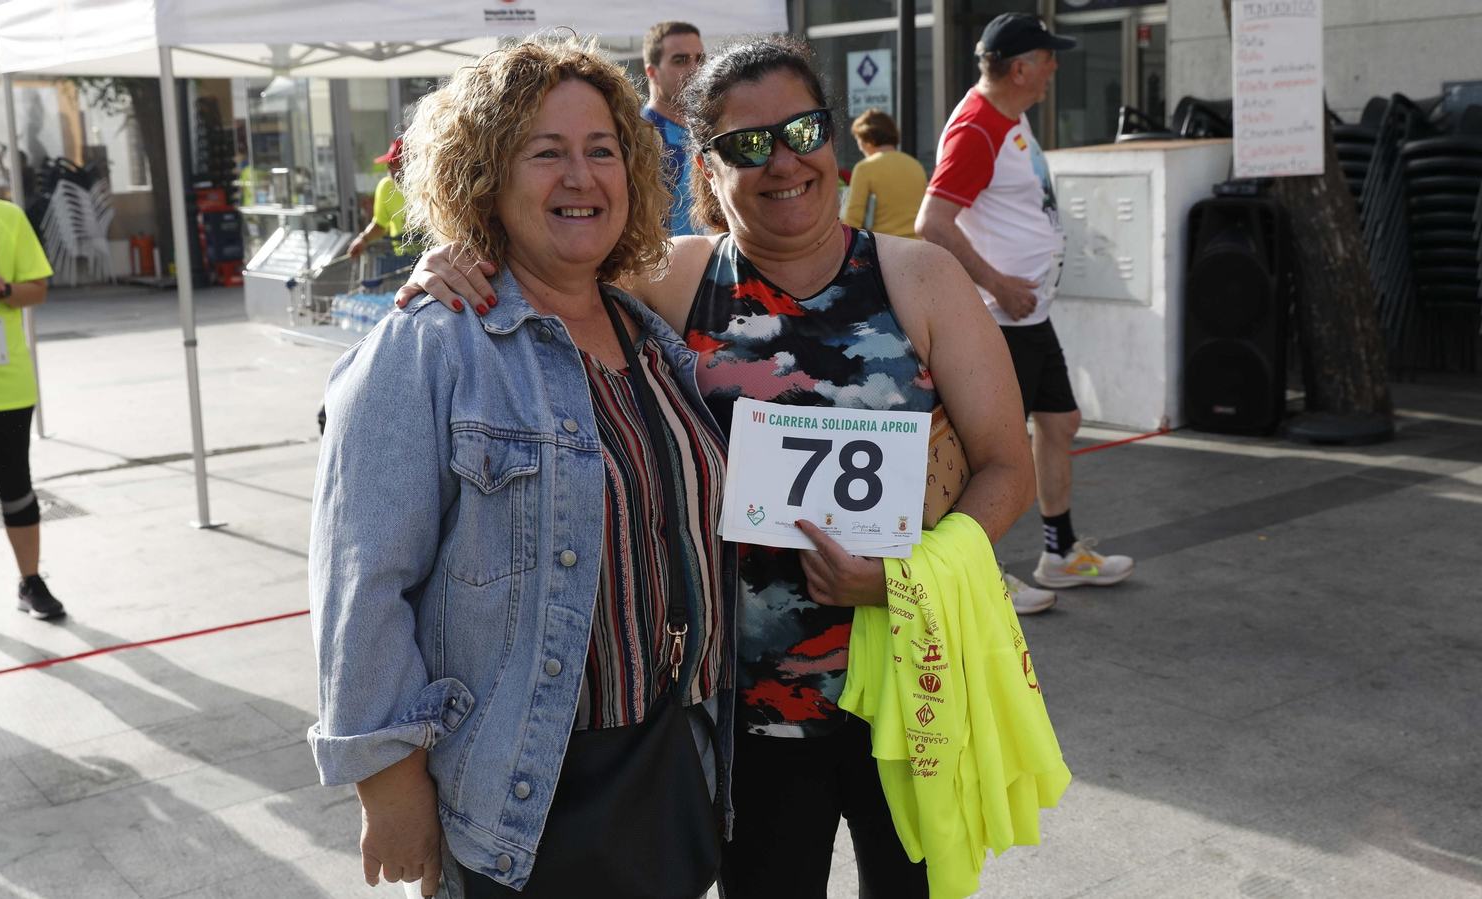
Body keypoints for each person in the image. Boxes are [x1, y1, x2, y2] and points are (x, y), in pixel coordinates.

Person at [395, 36, 1040, 898]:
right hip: (740, 717)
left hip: (904, 695)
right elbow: (545, 278)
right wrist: (453, 260)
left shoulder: (919, 278)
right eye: (746, 144)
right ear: (706, 163)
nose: (782, 161)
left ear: (834, 140)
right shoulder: (672, 279)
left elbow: (1007, 465)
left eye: (803, 129)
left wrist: (904, 579)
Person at [308, 38, 736, 898]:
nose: (581, 177)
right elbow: (361, 580)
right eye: (546, 153)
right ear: (485, 180)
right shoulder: (427, 344)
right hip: (521, 793)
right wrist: (386, 782)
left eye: (601, 151)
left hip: (670, 764)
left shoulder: (652, 339)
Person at [916, 12, 1134, 602]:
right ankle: (976, 574)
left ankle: (1059, 552)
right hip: (1001, 319)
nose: (1054, 68)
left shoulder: (1009, 117)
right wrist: (998, 283)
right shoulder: (976, 128)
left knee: (1060, 423)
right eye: (1046, 58)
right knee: (989, 453)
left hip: (1029, 317)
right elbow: (932, 223)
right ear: (1018, 68)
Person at [0, 187, 62, 620]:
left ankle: (30, 582)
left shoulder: (7, 216)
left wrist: (0, 287)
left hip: (5, 383)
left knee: (14, 484)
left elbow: (36, 290)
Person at [641, 21, 705, 236]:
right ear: (652, 72)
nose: (695, 69)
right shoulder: (640, 137)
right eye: (681, 61)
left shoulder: (709, 127)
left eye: (700, 59)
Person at [841, 108, 927, 240]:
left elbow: (853, 220)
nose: (859, 146)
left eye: (858, 139)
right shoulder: (915, 165)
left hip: (882, 247)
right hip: (916, 245)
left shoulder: (865, 167)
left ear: (867, 138)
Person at [347, 137, 411, 260]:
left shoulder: (430, 187)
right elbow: (380, 225)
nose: (389, 168)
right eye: (389, 163)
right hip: (402, 261)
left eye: (394, 163)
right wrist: (363, 239)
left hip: (432, 262)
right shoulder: (386, 187)